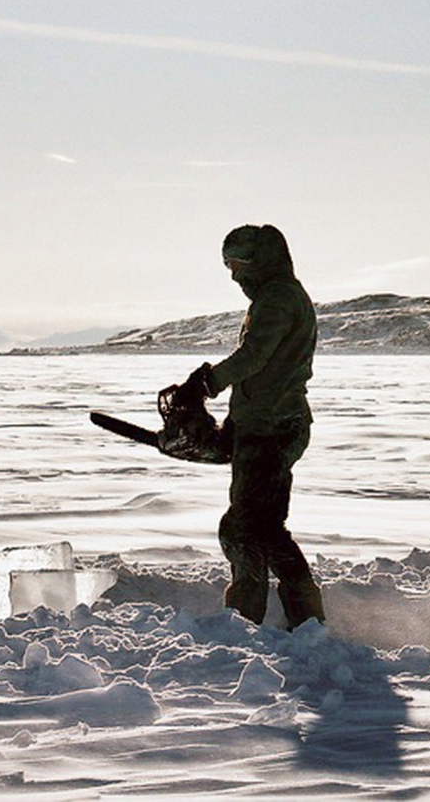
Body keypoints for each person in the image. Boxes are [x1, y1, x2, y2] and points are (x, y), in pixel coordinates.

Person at [171, 223, 325, 628]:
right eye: (228, 266)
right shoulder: (280, 296)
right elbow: (262, 375)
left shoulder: (276, 299)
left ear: (258, 262)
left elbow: (254, 356)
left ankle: (249, 621)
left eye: (237, 264)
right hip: (264, 422)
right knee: (260, 527)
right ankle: (302, 619)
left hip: (274, 427)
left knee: (247, 528)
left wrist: (207, 382)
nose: (234, 275)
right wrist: (229, 430)